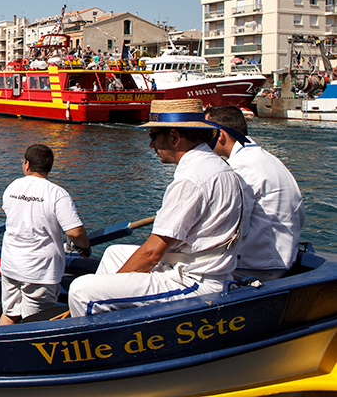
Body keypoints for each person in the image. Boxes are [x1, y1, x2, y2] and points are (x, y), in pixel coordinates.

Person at [67, 99, 252, 317]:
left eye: (153, 137)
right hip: (202, 267)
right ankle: (114, 315)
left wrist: (113, 283)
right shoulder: (217, 166)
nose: (151, 146)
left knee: (81, 291)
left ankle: (99, 346)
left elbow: (152, 253)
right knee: (113, 253)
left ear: (174, 137)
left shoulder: (191, 179)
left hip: (194, 281)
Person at [205, 105, 305, 280]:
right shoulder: (267, 158)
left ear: (219, 135)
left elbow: (231, 228)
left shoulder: (240, 168)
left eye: (205, 134)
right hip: (282, 258)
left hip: (257, 266)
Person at [0, 144, 91, 325]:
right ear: (49, 166)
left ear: (26, 164)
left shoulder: (12, 187)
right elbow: (75, 231)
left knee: (10, 313)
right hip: (39, 271)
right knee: (37, 323)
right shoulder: (57, 194)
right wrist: (85, 246)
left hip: (10, 265)